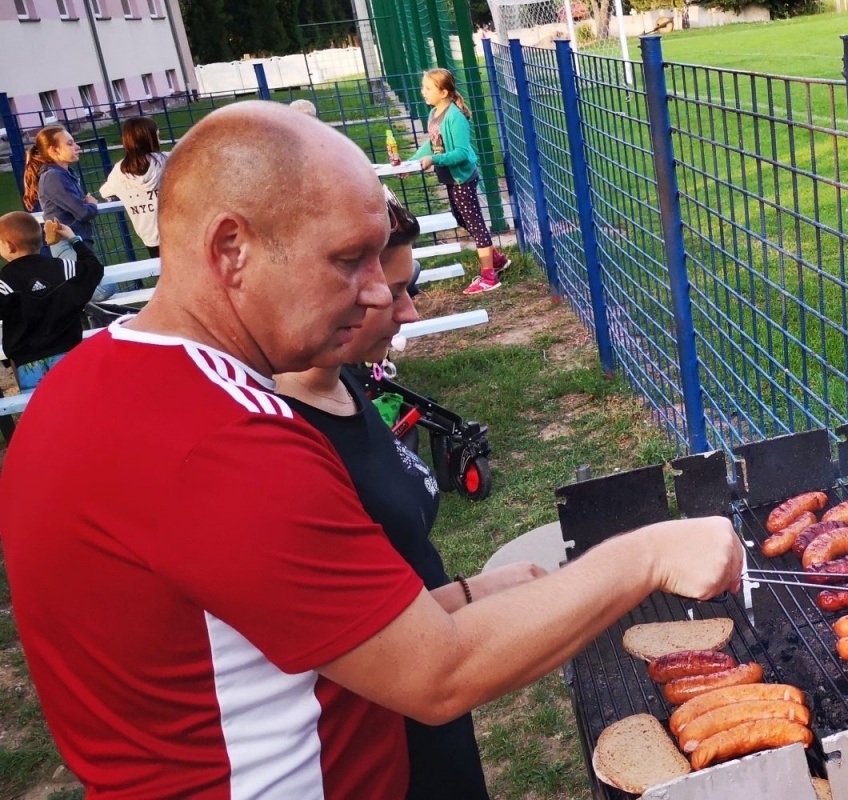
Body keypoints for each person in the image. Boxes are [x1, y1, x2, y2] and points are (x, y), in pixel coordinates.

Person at [0, 101, 743, 797]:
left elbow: (255, 636)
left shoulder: (90, 383)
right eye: (348, 259)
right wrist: (650, 553)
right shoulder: (220, 440)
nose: (380, 293)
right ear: (231, 249)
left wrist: (460, 599)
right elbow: (439, 675)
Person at [275, 198, 536, 799]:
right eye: (395, 294)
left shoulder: (343, 385)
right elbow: (360, 645)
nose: (409, 312)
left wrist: (472, 594)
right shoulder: (290, 439)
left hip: (430, 686)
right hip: (380, 726)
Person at [405, 68, 508, 296]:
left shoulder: (455, 117)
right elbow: (432, 144)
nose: (423, 92)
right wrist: (410, 164)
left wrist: (434, 159)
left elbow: (461, 153)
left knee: (476, 225)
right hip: (450, 178)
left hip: (462, 178)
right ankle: (497, 259)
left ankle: (489, 277)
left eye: (428, 88)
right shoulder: (434, 114)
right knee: (462, 218)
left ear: (443, 92)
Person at [0, 214, 104, 390]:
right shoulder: (64, 269)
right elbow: (94, 268)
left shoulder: (3, 283)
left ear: (9, 246)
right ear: (41, 240)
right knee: (75, 400)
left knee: (41, 408)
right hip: (70, 354)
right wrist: (74, 239)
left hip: (28, 363)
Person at [98, 116, 167, 259]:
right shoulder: (169, 160)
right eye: (157, 136)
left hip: (150, 236)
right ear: (150, 139)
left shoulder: (119, 171)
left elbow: (105, 192)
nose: (160, 141)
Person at [22, 125, 98, 250]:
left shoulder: (65, 174)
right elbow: (83, 212)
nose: (77, 147)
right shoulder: (53, 177)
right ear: (54, 150)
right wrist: (92, 204)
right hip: (68, 245)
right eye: (70, 144)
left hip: (76, 242)